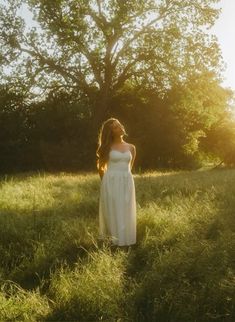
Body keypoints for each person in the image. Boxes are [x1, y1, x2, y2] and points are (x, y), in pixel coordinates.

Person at [96, 117, 137, 247]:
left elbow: (130, 167)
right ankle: (113, 242)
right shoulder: (107, 147)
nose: (120, 128)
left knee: (126, 209)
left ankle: (126, 242)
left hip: (126, 180)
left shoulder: (131, 148)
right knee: (113, 209)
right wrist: (105, 184)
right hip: (110, 182)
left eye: (119, 125)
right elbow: (101, 168)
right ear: (111, 132)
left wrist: (125, 179)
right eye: (115, 127)